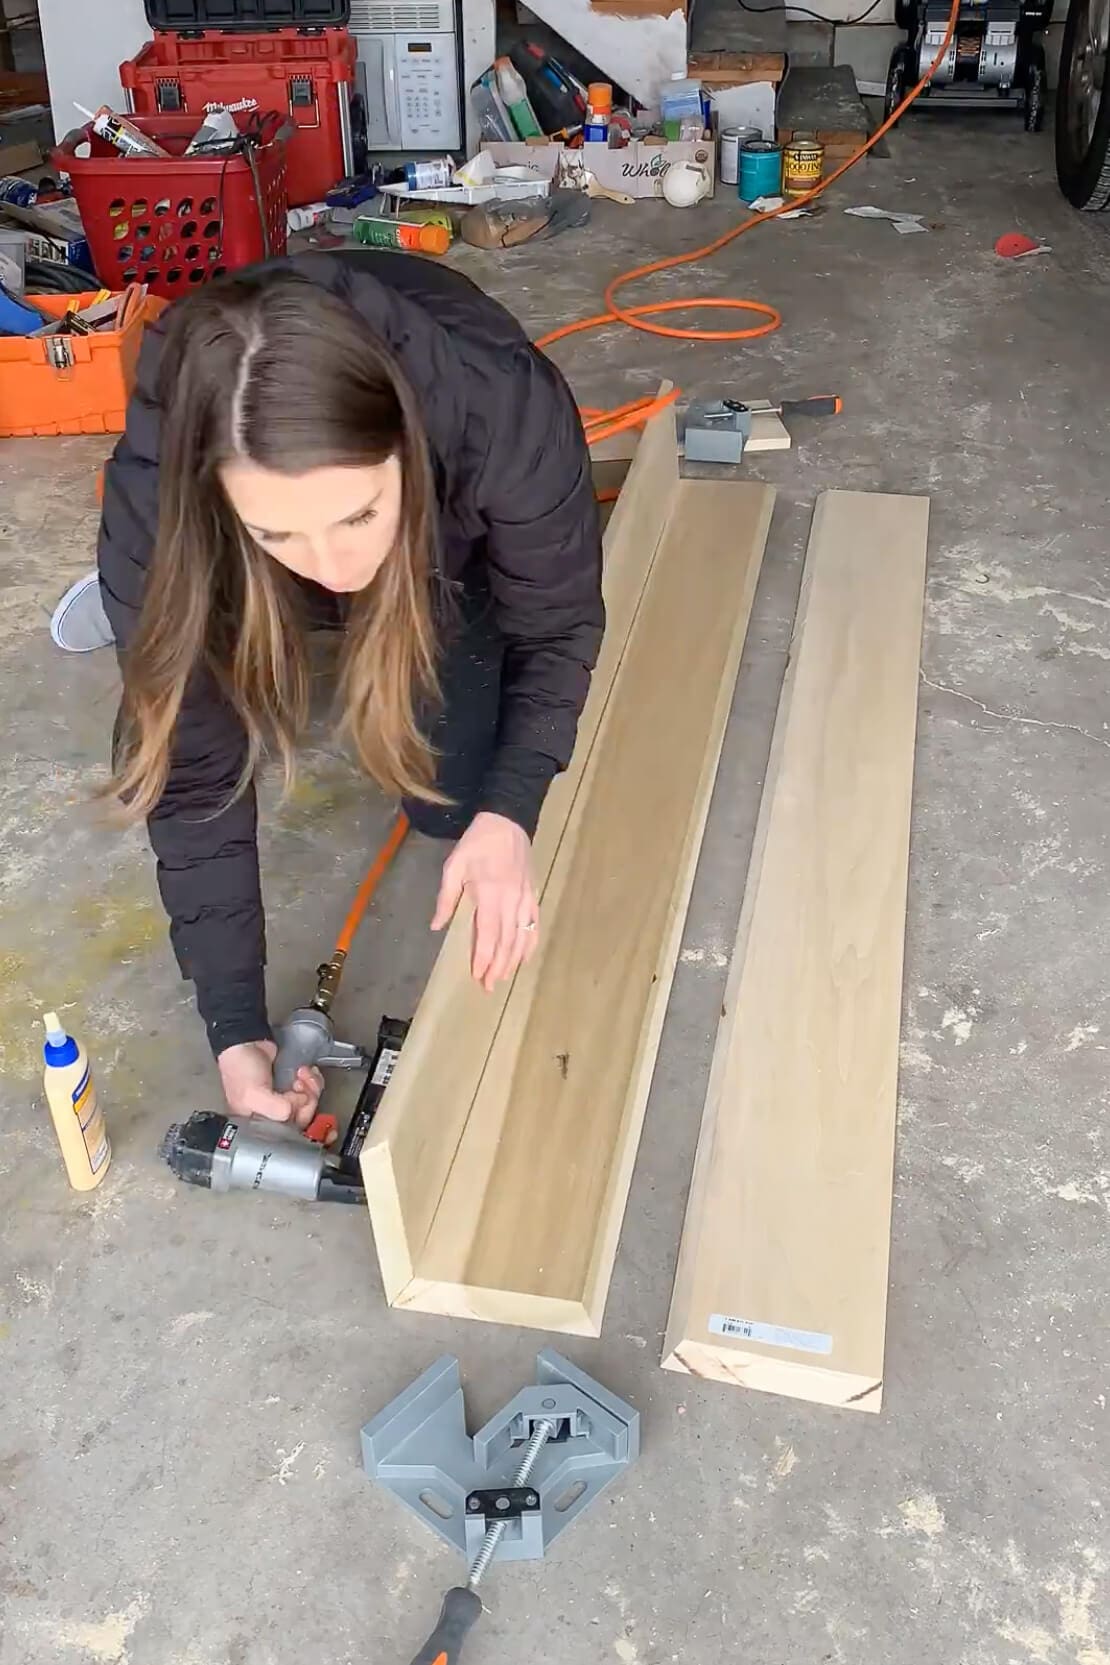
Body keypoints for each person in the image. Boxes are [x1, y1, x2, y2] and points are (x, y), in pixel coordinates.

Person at [97, 250, 602, 1134]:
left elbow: (556, 629)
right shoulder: (158, 489)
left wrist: (510, 811)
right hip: (216, 542)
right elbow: (190, 762)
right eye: (279, 528)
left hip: (448, 535)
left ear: (402, 449)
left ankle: (345, 543)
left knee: (452, 805)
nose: (337, 569)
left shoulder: (504, 416)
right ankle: (190, 584)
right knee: (175, 632)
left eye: (357, 515)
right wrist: (233, 1023)